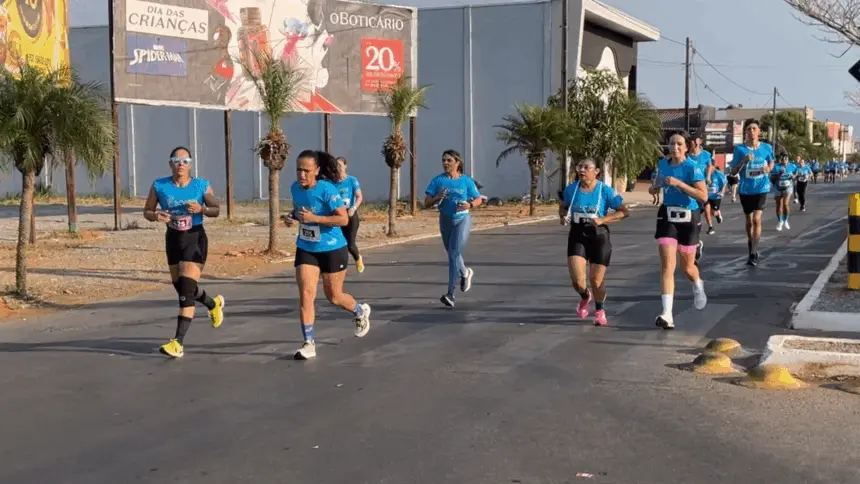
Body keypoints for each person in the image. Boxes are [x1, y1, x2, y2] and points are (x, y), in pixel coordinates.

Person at [283, 150, 371, 360]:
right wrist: (291, 217)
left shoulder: (327, 189)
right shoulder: (295, 188)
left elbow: (343, 220)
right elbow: (299, 211)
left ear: (317, 170)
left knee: (334, 296)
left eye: (306, 170)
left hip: (332, 248)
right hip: (306, 247)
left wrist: (315, 218)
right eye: (298, 170)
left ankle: (359, 311)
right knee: (306, 294)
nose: (301, 175)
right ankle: (309, 343)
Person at [143, 147, 225, 358]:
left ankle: (177, 343)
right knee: (181, 286)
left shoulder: (201, 185)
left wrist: (202, 209)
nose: (181, 164)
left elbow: (216, 208)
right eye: (176, 160)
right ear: (170, 163)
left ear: (190, 164)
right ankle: (213, 303)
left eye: (185, 160)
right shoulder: (159, 185)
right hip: (173, 239)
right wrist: (156, 215)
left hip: (195, 238)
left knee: (186, 289)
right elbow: (147, 211)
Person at [559, 158, 629, 326]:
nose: (582, 170)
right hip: (577, 234)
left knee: (596, 280)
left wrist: (602, 219)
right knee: (577, 281)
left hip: (599, 235)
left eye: (586, 167)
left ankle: (599, 310)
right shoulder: (571, 189)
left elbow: (624, 212)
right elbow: (563, 205)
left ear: (596, 171)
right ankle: (585, 296)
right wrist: (562, 215)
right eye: (579, 167)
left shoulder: (605, 191)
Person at [649, 132, 708, 330]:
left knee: (687, 267)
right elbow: (656, 185)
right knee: (667, 266)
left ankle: (698, 284)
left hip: (689, 216)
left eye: (679, 144)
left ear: (686, 147)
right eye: (672, 143)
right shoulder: (663, 164)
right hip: (667, 215)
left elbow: (703, 196)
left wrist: (680, 184)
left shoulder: (692, 167)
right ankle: (667, 314)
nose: (675, 147)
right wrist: (654, 187)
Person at [424, 149, 483, 308]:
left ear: (457, 162)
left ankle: (450, 294)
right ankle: (465, 272)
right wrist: (436, 198)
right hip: (445, 220)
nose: (445, 163)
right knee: (452, 253)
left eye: (449, 160)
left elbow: (478, 199)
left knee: (453, 254)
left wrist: (470, 204)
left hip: (462, 219)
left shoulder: (466, 181)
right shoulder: (437, 181)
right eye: (443, 160)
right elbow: (426, 202)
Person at [730, 119, 775, 267]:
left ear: (759, 131)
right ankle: (751, 244)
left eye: (754, 129)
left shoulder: (767, 148)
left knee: (757, 219)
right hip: (745, 189)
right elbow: (733, 171)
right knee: (749, 221)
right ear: (745, 133)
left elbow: (771, 162)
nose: (752, 131)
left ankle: (754, 252)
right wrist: (743, 161)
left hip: (761, 188)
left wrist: (768, 169)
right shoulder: (740, 149)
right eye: (749, 129)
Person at [333, 156, 365, 273]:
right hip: (337, 216)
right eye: (336, 166)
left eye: (340, 165)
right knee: (340, 245)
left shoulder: (351, 180)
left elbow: (359, 196)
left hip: (350, 215)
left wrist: (354, 207)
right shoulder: (332, 183)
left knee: (350, 245)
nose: (338, 168)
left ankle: (358, 258)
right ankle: (340, 268)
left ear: (345, 166)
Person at [688, 134, 712, 263]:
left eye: (694, 140)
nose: (692, 142)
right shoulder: (687, 156)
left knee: (694, 219)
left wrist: (707, 177)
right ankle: (695, 245)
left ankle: (696, 244)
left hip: (700, 191)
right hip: (688, 190)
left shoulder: (706, 154)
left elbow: (709, 166)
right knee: (688, 220)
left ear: (699, 141)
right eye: (690, 140)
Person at [771, 153, 797, 231]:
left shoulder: (792, 166)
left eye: (786, 159)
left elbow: (796, 172)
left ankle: (786, 220)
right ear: (781, 160)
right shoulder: (776, 167)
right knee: (779, 205)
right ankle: (780, 221)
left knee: (785, 204)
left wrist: (794, 176)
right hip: (778, 187)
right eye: (783, 159)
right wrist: (779, 174)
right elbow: (772, 179)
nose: (785, 161)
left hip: (788, 187)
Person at [704, 164, 727, 235]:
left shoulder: (718, 173)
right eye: (706, 167)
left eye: (709, 167)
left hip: (716, 196)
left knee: (713, 212)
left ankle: (717, 214)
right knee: (706, 210)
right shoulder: (703, 172)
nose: (707, 168)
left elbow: (724, 183)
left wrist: (722, 192)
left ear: (713, 166)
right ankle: (710, 227)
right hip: (706, 196)